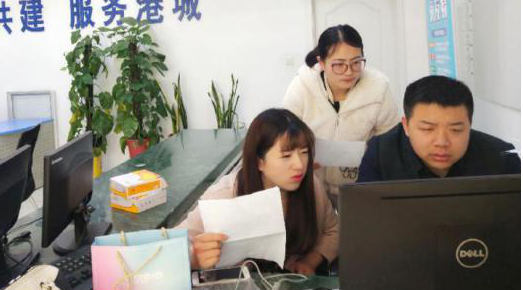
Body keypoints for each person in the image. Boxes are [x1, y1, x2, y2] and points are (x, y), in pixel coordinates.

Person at [178, 108, 339, 276]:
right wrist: (194, 257)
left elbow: (333, 230)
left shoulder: (311, 185)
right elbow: (173, 244)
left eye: (304, 152)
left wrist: (310, 261)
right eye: (286, 156)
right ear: (259, 162)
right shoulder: (224, 194)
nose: (299, 165)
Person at [283, 25, 399, 205]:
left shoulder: (378, 88)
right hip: (310, 184)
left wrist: (372, 156)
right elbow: (284, 136)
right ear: (321, 63)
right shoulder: (302, 86)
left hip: (361, 184)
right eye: (339, 64)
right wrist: (302, 159)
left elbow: (391, 140)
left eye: (356, 62)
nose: (349, 71)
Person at [358, 75, 522, 182]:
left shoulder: (502, 159)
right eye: (427, 129)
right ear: (406, 126)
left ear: (469, 124)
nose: (442, 142)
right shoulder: (380, 154)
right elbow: (363, 217)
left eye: (455, 130)